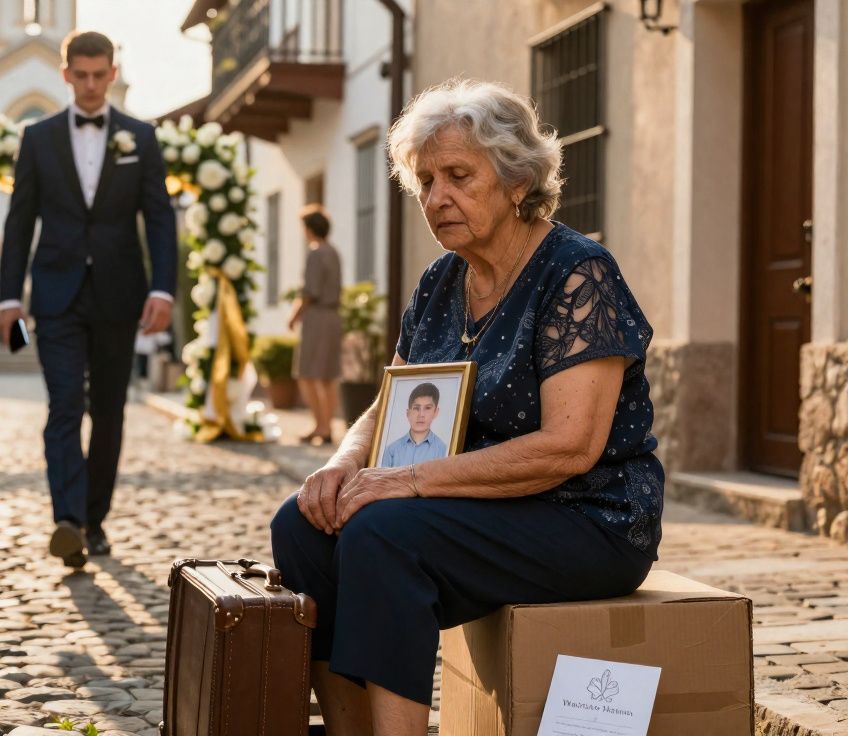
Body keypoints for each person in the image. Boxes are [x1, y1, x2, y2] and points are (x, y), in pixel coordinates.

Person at [269, 79, 662, 735]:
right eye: (425, 181)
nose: (437, 198)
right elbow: (391, 395)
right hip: (479, 504)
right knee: (304, 525)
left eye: (458, 176)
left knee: (381, 533)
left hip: (588, 515)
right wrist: (341, 465)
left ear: (516, 183)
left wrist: (407, 481)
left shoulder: (577, 272)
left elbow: (571, 447)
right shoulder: (441, 280)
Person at [0, 30, 177, 568]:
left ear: (112, 74)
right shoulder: (38, 138)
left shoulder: (139, 138)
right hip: (55, 294)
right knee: (64, 407)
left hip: (120, 296)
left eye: (101, 75)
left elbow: (160, 219)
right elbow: (19, 221)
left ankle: (94, 519)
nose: (93, 84)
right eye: (83, 75)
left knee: (109, 412)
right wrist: (9, 297)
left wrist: (162, 288)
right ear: (67, 74)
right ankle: (68, 521)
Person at [288, 205, 343, 445]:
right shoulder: (333, 251)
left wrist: (293, 316)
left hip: (317, 317)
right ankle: (326, 426)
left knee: (307, 373)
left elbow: (309, 291)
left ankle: (320, 426)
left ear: (309, 228)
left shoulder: (316, 252)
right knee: (328, 375)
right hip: (333, 317)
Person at [379, 383, 447, 467]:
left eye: (427, 408)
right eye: (416, 408)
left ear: (436, 412)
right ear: (408, 413)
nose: (421, 414)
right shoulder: (391, 450)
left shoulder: (443, 450)